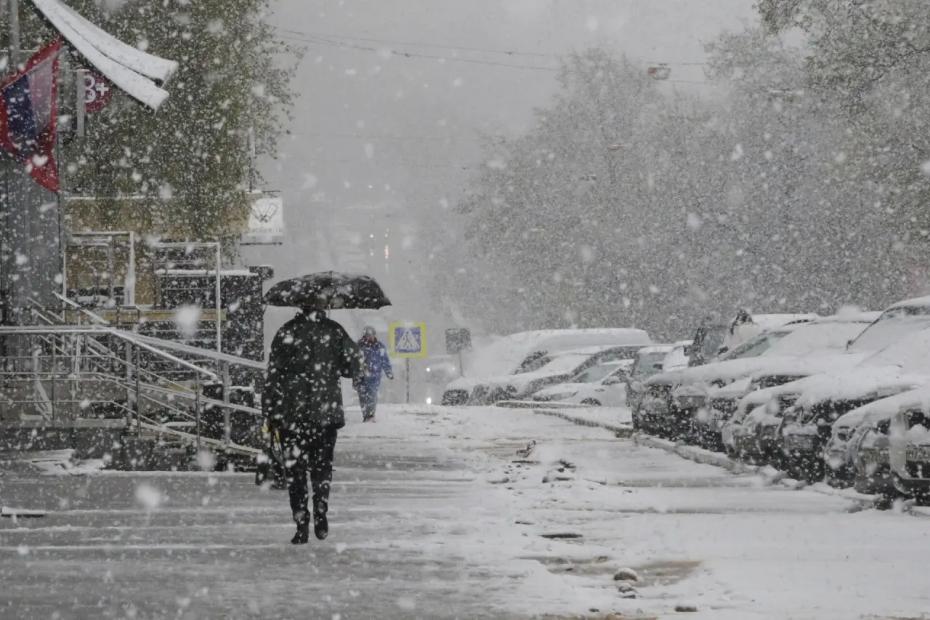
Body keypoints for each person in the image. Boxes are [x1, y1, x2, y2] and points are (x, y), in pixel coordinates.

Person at [263, 308, 364, 545]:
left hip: (291, 415)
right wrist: (336, 366)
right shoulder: (334, 331)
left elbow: (273, 375)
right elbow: (355, 365)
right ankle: (321, 507)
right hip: (324, 415)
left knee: (295, 473)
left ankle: (301, 523)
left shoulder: (286, 332)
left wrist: (269, 413)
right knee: (322, 467)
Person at [355, 326, 393, 422]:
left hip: (374, 377)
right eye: (367, 335)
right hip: (360, 377)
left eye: (371, 335)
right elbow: (353, 361)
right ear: (364, 336)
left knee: (372, 395)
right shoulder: (358, 346)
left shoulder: (380, 347)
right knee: (362, 397)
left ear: (374, 335)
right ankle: (365, 415)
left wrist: (389, 372)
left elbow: (385, 360)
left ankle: (371, 415)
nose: (369, 337)